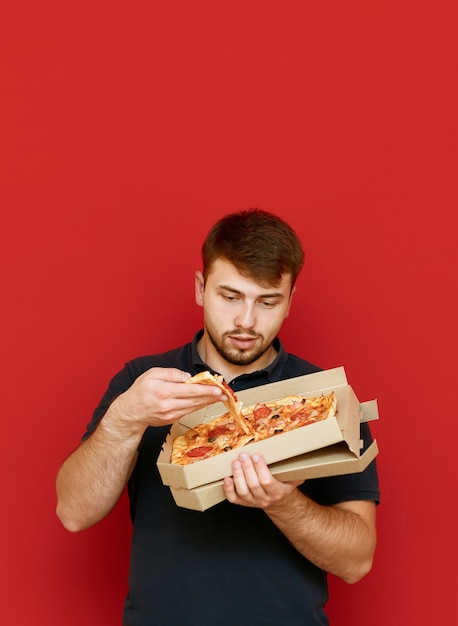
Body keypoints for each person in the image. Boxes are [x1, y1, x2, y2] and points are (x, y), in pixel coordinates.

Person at [56, 208, 379, 626]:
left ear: (290, 302)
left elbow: (357, 561)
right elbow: (73, 513)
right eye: (230, 297)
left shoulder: (324, 397)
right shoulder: (141, 383)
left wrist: (282, 503)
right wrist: (125, 419)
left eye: (267, 302)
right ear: (200, 287)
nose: (246, 321)